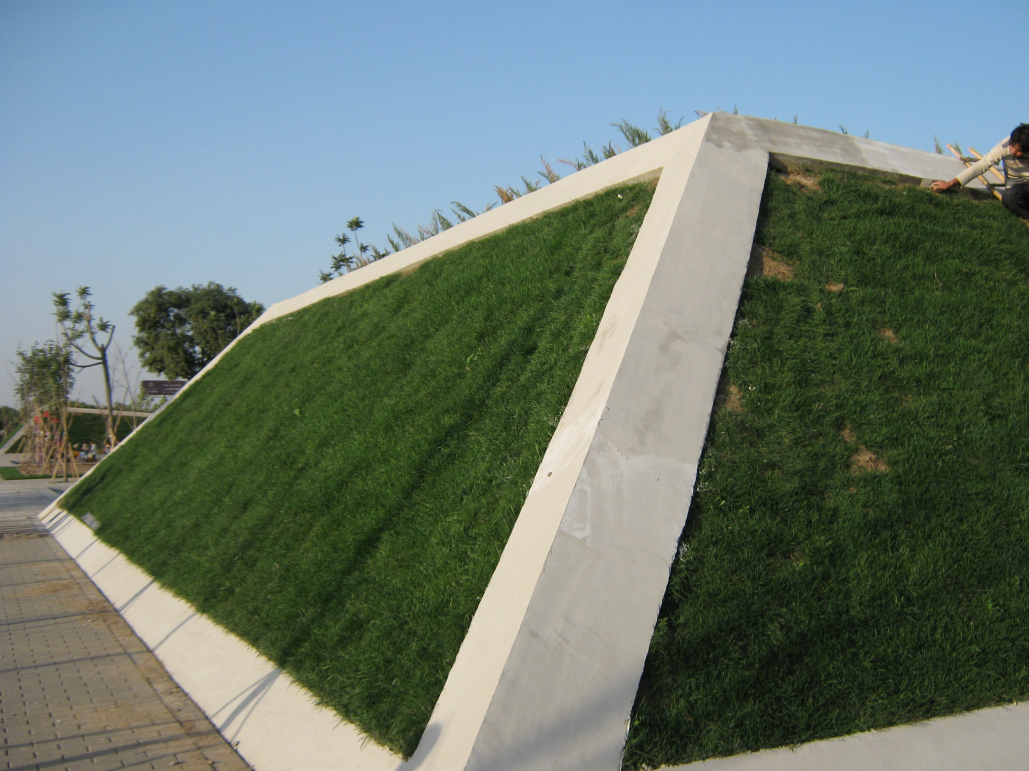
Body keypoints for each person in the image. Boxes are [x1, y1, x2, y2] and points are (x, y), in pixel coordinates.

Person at [931, 123, 1029, 220]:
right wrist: (950, 183)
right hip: (1016, 188)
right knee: (1009, 197)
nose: (1013, 151)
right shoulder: (1005, 146)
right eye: (1012, 146)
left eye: (1019, 150)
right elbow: (982, 165)